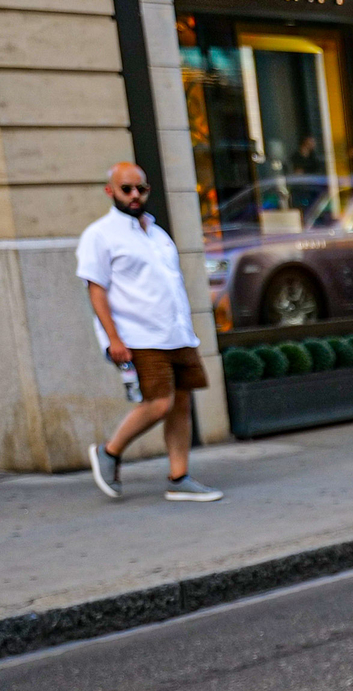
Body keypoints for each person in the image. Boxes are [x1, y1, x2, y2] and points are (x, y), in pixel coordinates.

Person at [79, 162, 220, 502]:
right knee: (159, 403)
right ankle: (109, 453)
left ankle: (179, 476)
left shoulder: (156, 233)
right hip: (139, 336)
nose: (134, 195)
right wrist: (114, 339)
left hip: (176, 333)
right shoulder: (100, 235)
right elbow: (96, 290)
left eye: (140, 189)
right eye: (126, 189)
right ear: (110, 191)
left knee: (181, 404)